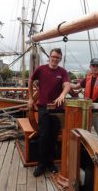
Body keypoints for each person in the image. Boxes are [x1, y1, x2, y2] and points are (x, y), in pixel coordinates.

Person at [28, 48, 70, 177]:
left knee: (53, 137)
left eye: (57, 57)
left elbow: (67, 85)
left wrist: (63, 95)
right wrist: (30, 98)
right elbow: (30, 81)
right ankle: (41, 164)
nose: (55, 59)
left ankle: (51, 163)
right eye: (53, 56)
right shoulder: (41, 69)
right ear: (49, 57)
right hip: (43, 108)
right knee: (43, 136)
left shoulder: (62, 72)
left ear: (60, 59)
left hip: (57, 108)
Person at [70, 58, 98, 148]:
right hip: (87, 110)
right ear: (90, 66)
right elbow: (75, 86)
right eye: (93, 65)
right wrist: (65, 84)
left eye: (97, 66)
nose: (95, 68)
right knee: (85, 134)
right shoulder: (87, 79)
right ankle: (86, 153)